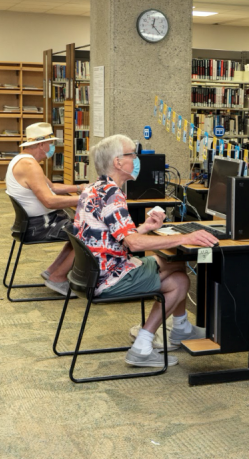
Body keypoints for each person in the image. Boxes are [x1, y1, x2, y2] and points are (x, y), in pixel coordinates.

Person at [73, 134, 219, 368]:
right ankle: (144, 345)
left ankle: (178, 329)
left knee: (177, 267)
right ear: (118, 162)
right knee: (179, 278)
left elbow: (110, 236)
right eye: (132, 154)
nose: (137, 160)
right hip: (109, 278)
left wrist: (144, 227)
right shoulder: (112, 194)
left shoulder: (95, 189)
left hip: (93, 273)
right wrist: (187, 237)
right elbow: (134, 244)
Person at [6, 122, 85, 295]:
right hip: (41, 226)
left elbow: (53, 188)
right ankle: (58, 277)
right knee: (90, 232)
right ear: (41, 144)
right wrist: (86, 199)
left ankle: (53, 270)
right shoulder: (30, 165)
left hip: (32, 224)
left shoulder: (22, 160)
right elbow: (49, 201)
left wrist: (81, 188)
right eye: (50, 144)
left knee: (78, 228)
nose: (52, 148)